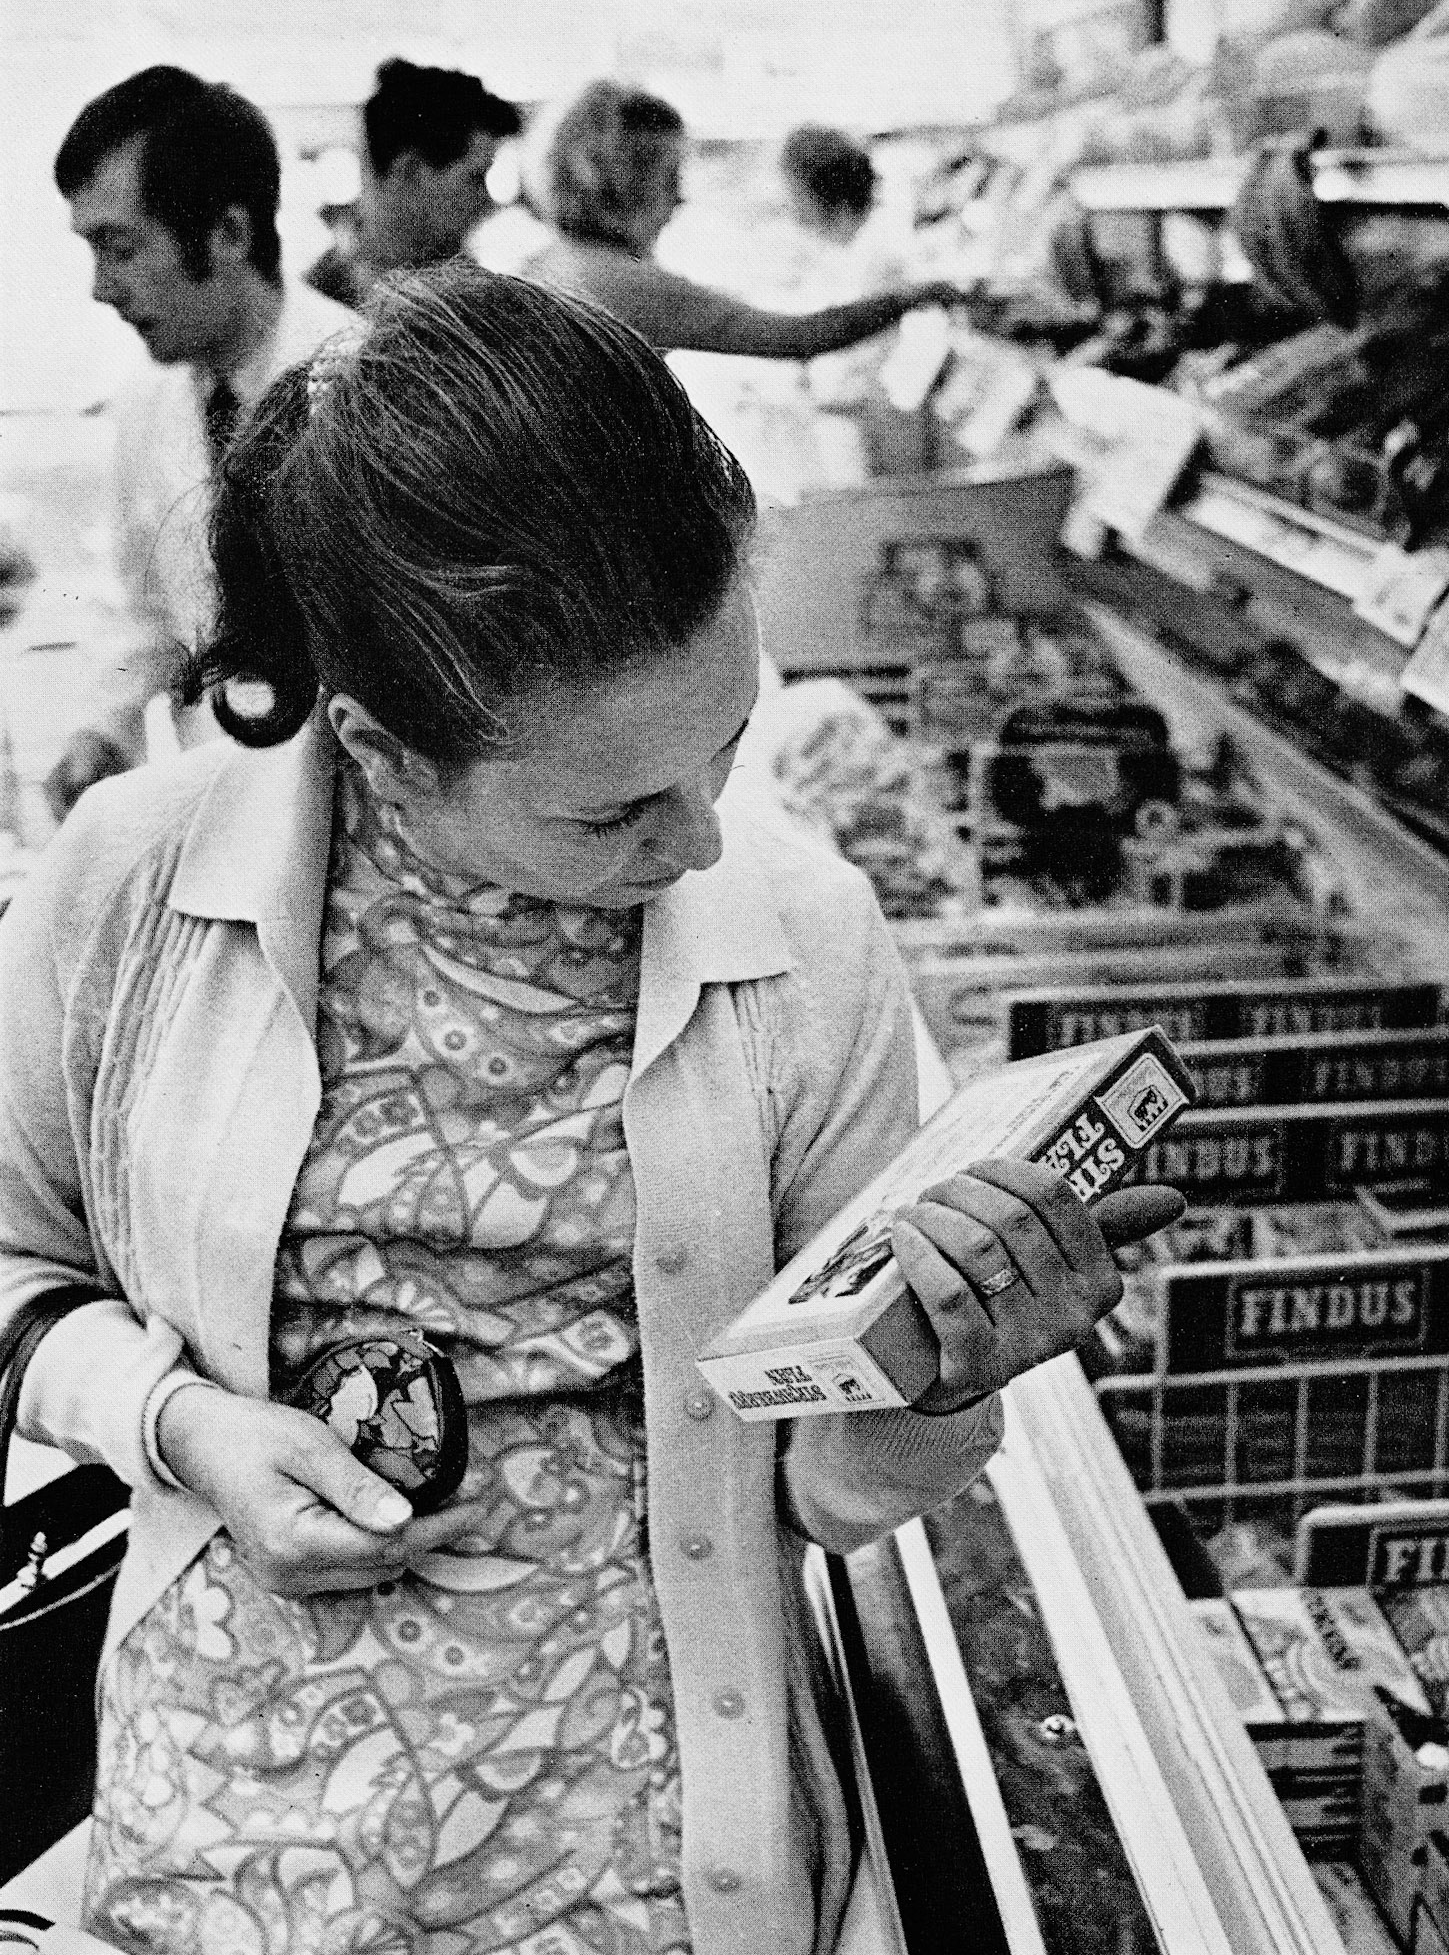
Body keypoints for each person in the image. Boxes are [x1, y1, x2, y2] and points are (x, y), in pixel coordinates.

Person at [0, 265, 1183, 1955]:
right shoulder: (131, 885)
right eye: (616, 804)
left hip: (652, 1848)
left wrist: (937, 1376)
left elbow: (829, 1491)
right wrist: (184, 1426)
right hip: (224, 1826)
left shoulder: (805, 938)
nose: (701, 841)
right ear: (382, 748)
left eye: (728, 748)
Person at [45, 65, 358, 819]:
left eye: (120, 249)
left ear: (228, 234)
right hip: (218, 802)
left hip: (360, 809)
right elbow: (151, 610)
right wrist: (103, 731)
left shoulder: (366, 385)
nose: (100, 289)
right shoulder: (146, 402)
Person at [526, 78, 967, 359]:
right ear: (619, 184)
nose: (679, 199)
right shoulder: (612, 278)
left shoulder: (560, 263)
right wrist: (909, 298)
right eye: (668, 178)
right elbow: (797, 337)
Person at [305, 57, 524, 309]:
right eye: (476, 177)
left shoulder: (475, 287)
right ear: (410, 171)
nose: (489, 202)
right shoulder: (317, 303)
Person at [778, 125, 880, 249]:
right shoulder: (862, 239)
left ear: (842, 207)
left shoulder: (869, 250)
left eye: (800, 206)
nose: (799, 221)